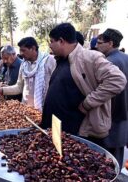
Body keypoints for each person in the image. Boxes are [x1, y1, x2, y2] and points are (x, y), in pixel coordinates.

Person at [41, 23, 127, 140]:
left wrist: (88, 103)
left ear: (61, 41)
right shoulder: (61, 59)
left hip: (75, 130)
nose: (50, 45)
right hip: (56, 127)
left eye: (51, 41)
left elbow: (118, 80)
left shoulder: (89, 57)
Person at [0, 37, 56, 111]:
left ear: (33, 48)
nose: (21, 53)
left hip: (44, 108)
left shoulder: (49, 61)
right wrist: (2, 90)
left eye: (23, 50)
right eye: (20, 50)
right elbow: (19, 87)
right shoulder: (24, 65)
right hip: (26, 108)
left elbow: (57, 88)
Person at [96, 28, 128, 167]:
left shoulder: (108, 63)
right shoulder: (125, 58)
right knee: (117, 157)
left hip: (111, 115)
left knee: (105, 159)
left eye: (100, 42)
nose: (97, 46)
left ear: (110, 43)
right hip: (123, 115)